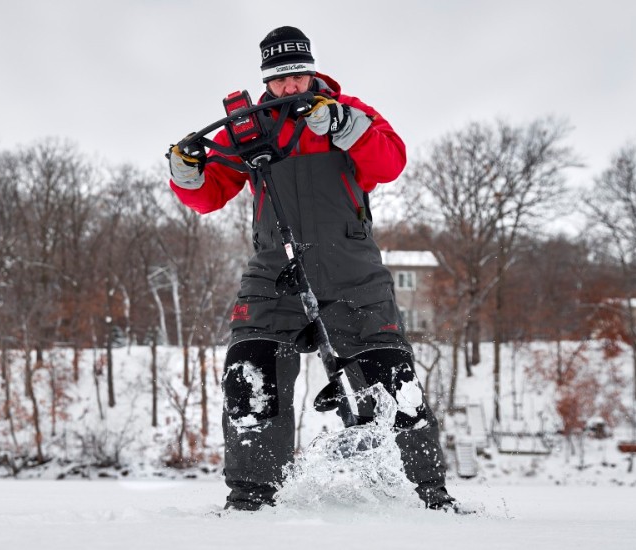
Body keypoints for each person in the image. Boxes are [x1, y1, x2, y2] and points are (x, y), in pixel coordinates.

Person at [167, 26, 456, 512]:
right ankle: (252, 502)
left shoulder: (349, 110)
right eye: (279, 81)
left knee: (392, 381)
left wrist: (345, 127)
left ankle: (426, 497)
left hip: (352, 273)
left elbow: (389, 163)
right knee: (249, 371)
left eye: (297, 76)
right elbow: (208, 194)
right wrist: (185, 170)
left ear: (311, 71)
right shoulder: (247, 127)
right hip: (272, 273)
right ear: (266, 82)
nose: (289, 89)